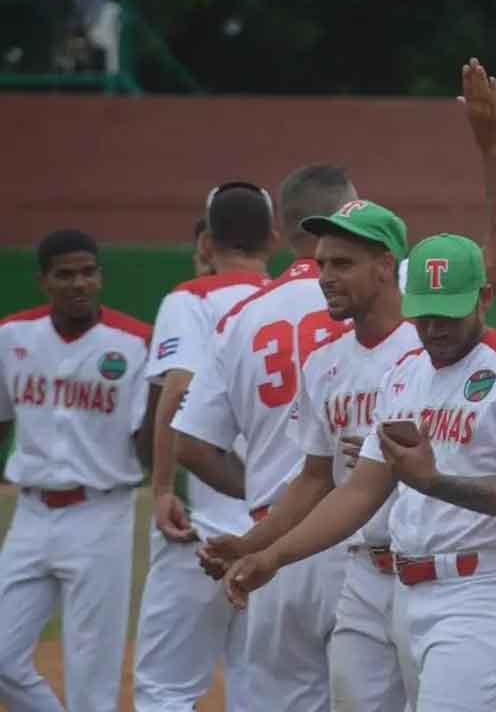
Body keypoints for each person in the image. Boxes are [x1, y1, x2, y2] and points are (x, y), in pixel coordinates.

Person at [199, 58, 496, 711]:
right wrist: (254, 543)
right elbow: (314, 480)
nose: (324, 275)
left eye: (341, 263)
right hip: (359, 564)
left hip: (442, 567)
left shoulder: (433, 330)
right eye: (320, 261)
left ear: (388, 267)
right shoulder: (325, 363)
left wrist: (493, 147)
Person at [222, 231, 496, 712]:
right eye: (424, 313)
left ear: (484, 298)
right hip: (401, 590)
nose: (434, 328)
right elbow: (359, 491)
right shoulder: (405, 375)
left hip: (481, 590)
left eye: (448, 313)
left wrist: (433, 482)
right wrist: (273, 556)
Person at [170, 164, 357, 711]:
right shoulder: (377, 299)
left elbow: (191, 445)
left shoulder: (241, 318)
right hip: (358, 539)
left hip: (274, 543)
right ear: (344, 218)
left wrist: (260, 490)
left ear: (285, 227)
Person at [133, 183, 276, 712]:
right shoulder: (295, 301)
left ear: (207, 241)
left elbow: (178, 388)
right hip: (278, 526)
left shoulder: (190, 299)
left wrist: (163, 488)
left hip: (202, 527)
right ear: (274, 238)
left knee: (166, 688)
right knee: (261, 686)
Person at [0, 230, 152, 712]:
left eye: (88, 272)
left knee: (92, 677)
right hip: (31, 512)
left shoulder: (134, 342)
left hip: (100, 514)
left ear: (100, 276)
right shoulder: (12, 336)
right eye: (65, 274)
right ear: (44, 281)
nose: (79, 283)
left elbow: (147, 444)